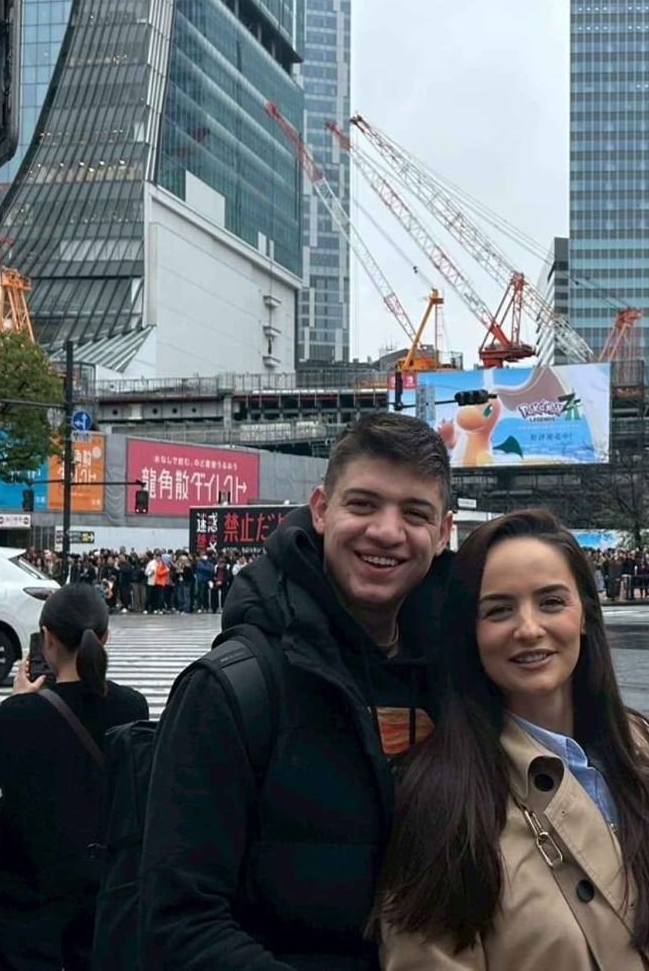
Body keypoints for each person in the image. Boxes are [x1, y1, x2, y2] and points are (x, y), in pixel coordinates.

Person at [141, 412, 455, 970]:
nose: (386, 531)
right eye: (363, 504)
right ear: (320, 510)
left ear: (443, 531)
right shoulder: (231, 688)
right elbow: (180, 921)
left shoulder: (460, 681)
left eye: (414, 513)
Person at [375, 510, 649, 970]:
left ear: (586, 614)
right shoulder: (440, 797)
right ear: (469, 633)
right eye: (499, 609)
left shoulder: (640, 747)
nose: (528, 628)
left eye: (551, 602)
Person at [0, 583, 148, 970]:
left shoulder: (17, 715)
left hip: (24, 899)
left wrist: (21, 700)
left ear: (46, 639)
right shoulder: (132, 706)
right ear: (104, 638)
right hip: (100, 895)